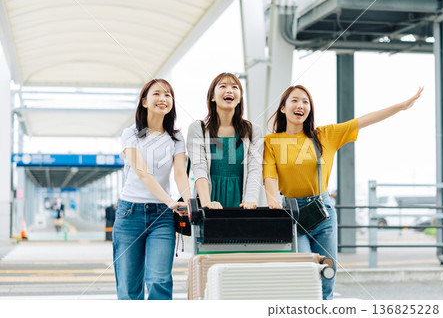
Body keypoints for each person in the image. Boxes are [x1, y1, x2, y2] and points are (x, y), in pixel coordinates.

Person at [263, 85, 423, 300]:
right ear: (283, 108)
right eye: (294, 100)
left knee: (328, 271)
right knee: (306, 270)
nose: (300, 105)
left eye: (306, 101)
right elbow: (269, 177)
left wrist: (402, 106)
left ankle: (325, 307)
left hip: (323, 211)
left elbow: (364, 120)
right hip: (293, 214)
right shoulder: (272, 142)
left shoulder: (325, 135)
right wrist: (273, 203)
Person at [113, 79, 190, 300]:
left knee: (159, 280)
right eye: (157, 94)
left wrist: (188, 202)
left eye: (168, 94)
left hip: (162, 218)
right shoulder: (131, 134)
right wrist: (170, 201)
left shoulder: (175, 138)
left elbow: (180, 174)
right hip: (129, 214)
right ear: (144, 102)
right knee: (129, 288)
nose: (163, 98)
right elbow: (142, 173)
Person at [187, 72, 263, 209]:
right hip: (209, 198)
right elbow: (199, 168)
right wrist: (206, 203)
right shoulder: (198, 128)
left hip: (241, 202)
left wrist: (250, 201)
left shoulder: (253, 130)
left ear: (239, 98)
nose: (229, 90)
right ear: (212, 97)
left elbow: (255, 170)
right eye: (223, 86)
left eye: (235, 87)